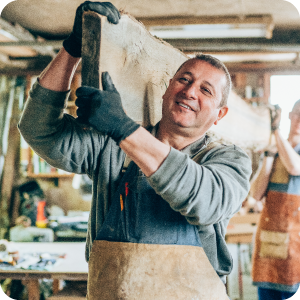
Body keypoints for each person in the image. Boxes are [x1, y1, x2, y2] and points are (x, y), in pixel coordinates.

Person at [18, 1, 252, 299]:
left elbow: (203, 200)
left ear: (220, 115)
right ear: (167, 88)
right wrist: (73, 48)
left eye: (206, 90)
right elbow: (39, 129)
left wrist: (124, 129)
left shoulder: (229, 159)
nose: (190, 91)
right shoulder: (111, 147)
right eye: (184, 79)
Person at [250, 101, 300, 299]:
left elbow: (295, 167)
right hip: (269, 237)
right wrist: (269, 156)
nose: (299, 119)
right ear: (289, 115)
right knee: (267, 291)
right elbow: (256, 194)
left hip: (296, 239)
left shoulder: (287, 148)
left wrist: (275, 130)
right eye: (297, 113)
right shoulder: (276, 146)